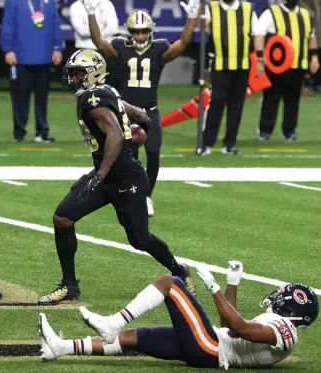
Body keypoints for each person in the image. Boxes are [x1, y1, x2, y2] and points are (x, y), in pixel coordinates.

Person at [38, 49, 195, 305]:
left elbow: (115, 134)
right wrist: (138, 140)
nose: (73, 79)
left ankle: (180, 272)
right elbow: (141, 116)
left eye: (79, 74)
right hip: (110, 174)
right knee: (63, 218)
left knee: (140, 240)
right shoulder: (106, 91)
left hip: (124, 178)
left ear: (94, 73)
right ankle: (70, 286)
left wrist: (100, 174)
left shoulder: (93, 98)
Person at [38, 260, 319, 369]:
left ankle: (113, 321)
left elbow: (241, 329)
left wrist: (213, 288)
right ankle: (60, 348)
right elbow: (233, 327)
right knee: (137, 337)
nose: (276, 298)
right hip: (213, 344)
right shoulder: (279, 327)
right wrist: (232, 282)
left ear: (294, 307)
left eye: (282, 296)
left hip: (211, 349)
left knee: (171, 284)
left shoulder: (286, 332)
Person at [83, 0, 200, 217]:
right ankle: (132, 194)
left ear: (150, 31)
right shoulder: (119, 47)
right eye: (135, 32)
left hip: (149, 111)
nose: (139, 36)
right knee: (130, 156)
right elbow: (98, 41)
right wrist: (91, 13)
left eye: (143, 32)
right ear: (128, 32)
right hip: (125, 112)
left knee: (153, 152)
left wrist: (192, 17)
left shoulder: (160, 48)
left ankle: (147, 196)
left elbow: (183, 43)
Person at [199, 0, 261, 156]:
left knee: (236, 105)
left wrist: (260, 59)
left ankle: (230, 144)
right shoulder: (212, 8)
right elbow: (200, 25)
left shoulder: (248, 9)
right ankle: (206, 143)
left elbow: (257, 34)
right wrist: (197, 9)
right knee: (217, 102)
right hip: (220, 65)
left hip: (242, 65)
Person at [0, 0, 63, 143]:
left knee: (42, 99)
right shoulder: (14, 2)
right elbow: (7, 25)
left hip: (45, 56)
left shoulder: (49, 2)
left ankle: (42, 132)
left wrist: (58, 48)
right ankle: (19, 133)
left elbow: (55, 25)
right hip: (20, 57)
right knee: (19, 99)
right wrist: (8, 49)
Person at [255, 0, 319, 141]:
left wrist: (314, 57)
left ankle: (290, 130)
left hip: (298, 65)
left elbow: (311, 37)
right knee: (271, 98)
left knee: (293, 100)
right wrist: (260, 58)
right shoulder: (271, 13)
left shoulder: (305, 15)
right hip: (276, 65)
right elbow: (259, 34)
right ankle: (265, 130)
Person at [69, 0, 119, 124]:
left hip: (105, 52)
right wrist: (101, 30)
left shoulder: (106, 3)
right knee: (84, 94)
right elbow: (81, 30)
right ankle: (86, 129)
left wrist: (94, 32)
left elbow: (114, 28)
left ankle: (113, 125)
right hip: (84, 54)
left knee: (109, 91)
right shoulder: (76, 6)